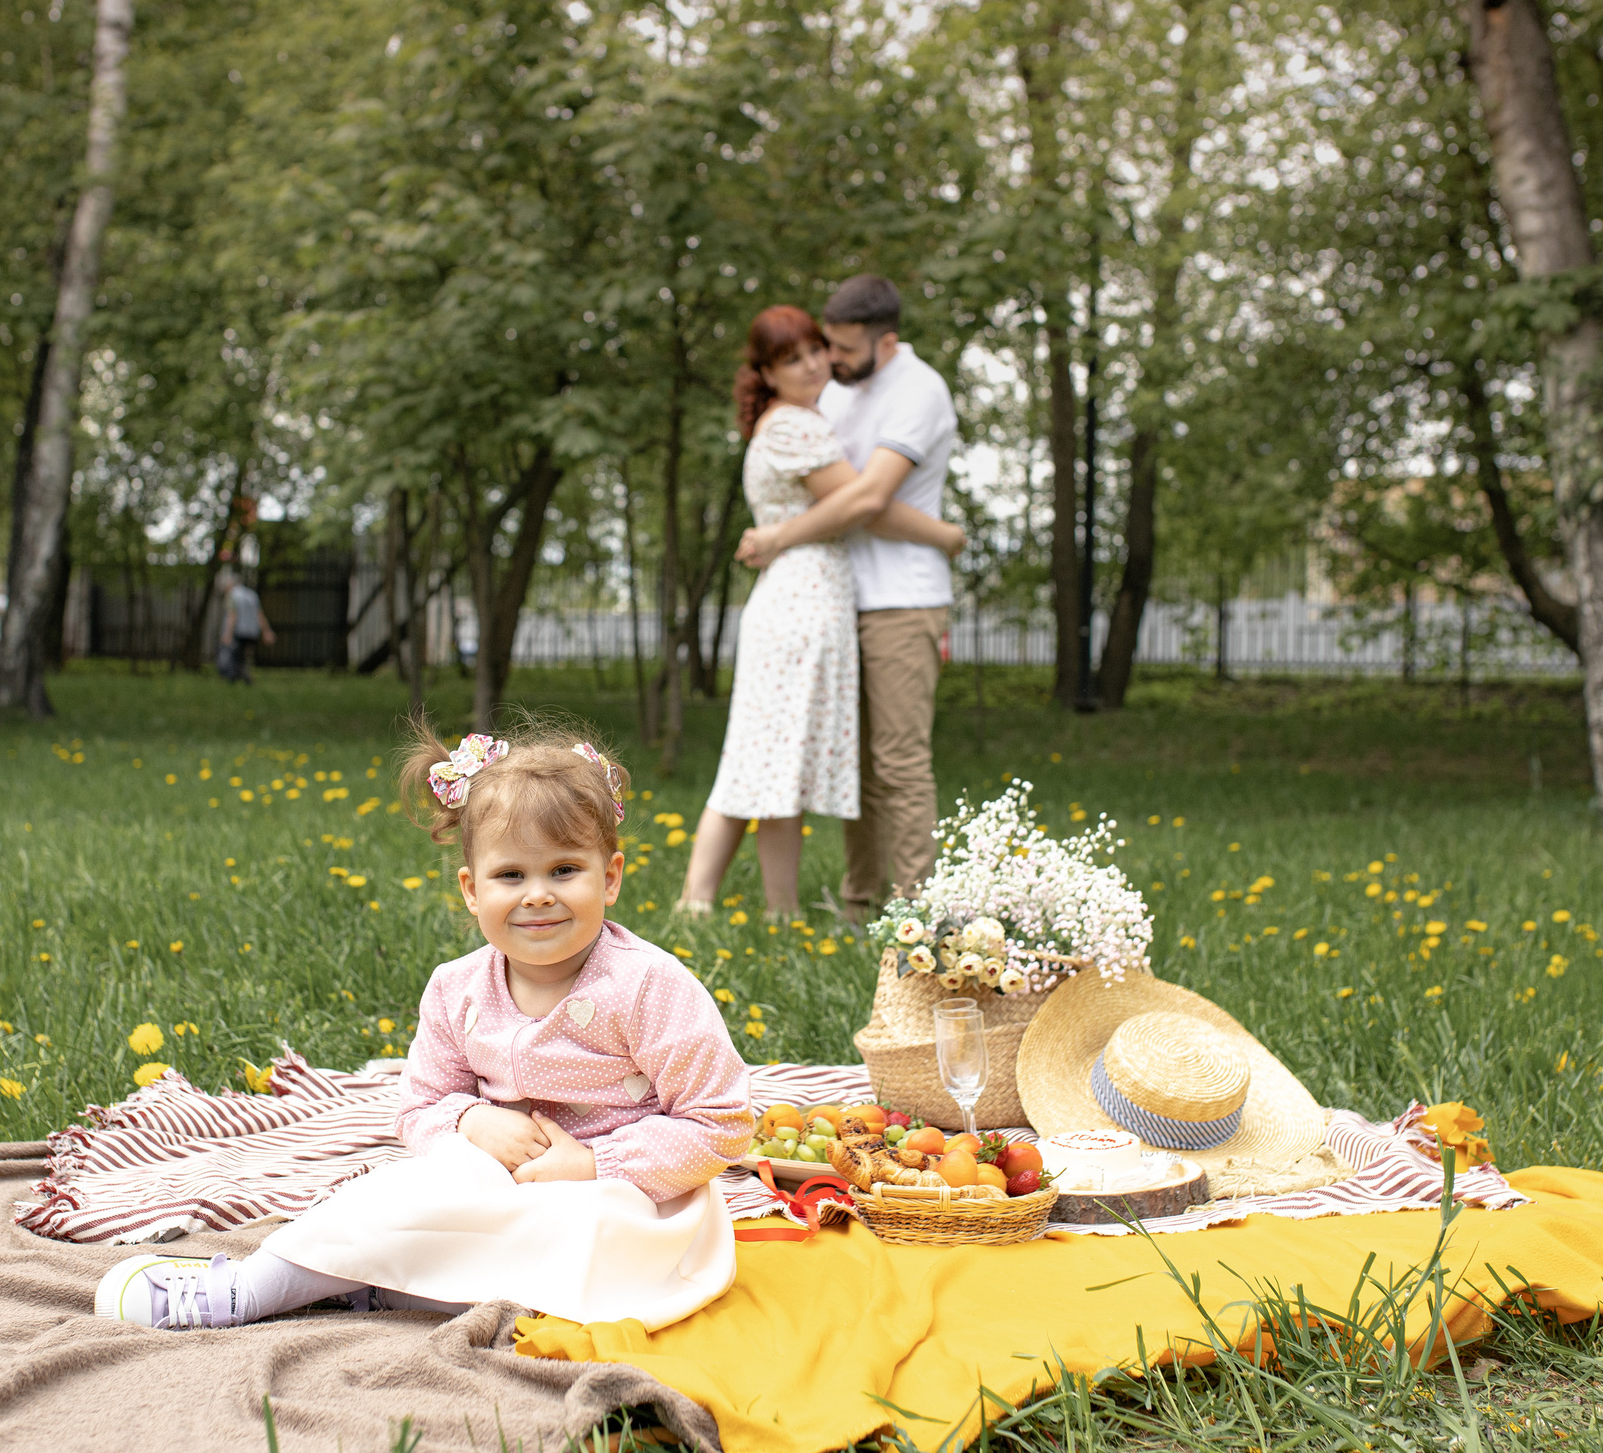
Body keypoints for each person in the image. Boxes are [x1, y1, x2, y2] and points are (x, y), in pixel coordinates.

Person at [96, 726, 753, 1331]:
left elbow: (721, 1120)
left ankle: (381, 1285)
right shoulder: (457, 989)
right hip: (499, 1178)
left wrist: (592, 1163)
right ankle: (253, 1286)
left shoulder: (647, 986)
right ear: (471, 889)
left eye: (564, 870)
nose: (537, 893)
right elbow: (419, 1106)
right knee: (400, 1195)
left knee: (586, 1246)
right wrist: (470, 1120)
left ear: (609, 878)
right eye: (510, 875)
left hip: (625, 1199)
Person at [681, 306, 965, 917]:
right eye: (793, 359)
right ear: (766, 372)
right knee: (771, 763)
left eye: (816, 350)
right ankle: (752, 908)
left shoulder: (800, 417)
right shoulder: (796, 426)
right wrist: (943, 534)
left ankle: (718, 904)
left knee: (763, 760)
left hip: (802, 598)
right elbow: (865, 502)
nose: (814, 365)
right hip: (803, 604)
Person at [217, 570, 264, 683]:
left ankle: (233, 678)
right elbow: (259, 614)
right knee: (243, 656)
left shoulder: (233, 595)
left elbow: (232, 615)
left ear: (230, 584)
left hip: (238, 631)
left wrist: (227, 634)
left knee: (233, 656)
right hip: (251, 632)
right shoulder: (251, 594)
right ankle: (244, 676)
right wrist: (266, 631)